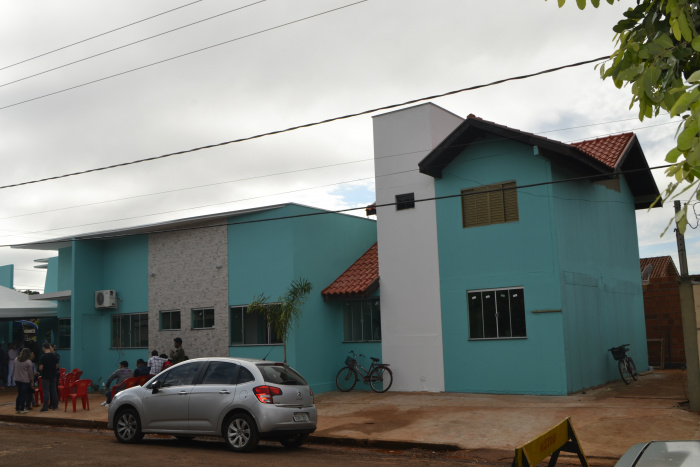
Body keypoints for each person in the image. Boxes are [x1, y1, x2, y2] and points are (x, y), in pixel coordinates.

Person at [38, 343, 59, 411]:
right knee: (54, 390)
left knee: (46, 391)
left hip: (45, 376)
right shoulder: (54, 356)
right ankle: (55, 406)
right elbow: (57, 366)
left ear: (44, 348)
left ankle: (45, 407)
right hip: (53, 375)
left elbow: (41, 368)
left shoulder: (43, 357)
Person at [13, 348, 33, 414]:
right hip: (25, 380)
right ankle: (22, 408)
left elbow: (14, 369)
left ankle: (17, 408)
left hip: (17, 379)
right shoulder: (28, 362)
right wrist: (32, 380)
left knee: (19, 394)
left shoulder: (16, 360)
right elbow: (30, 373)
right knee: (24, 395)